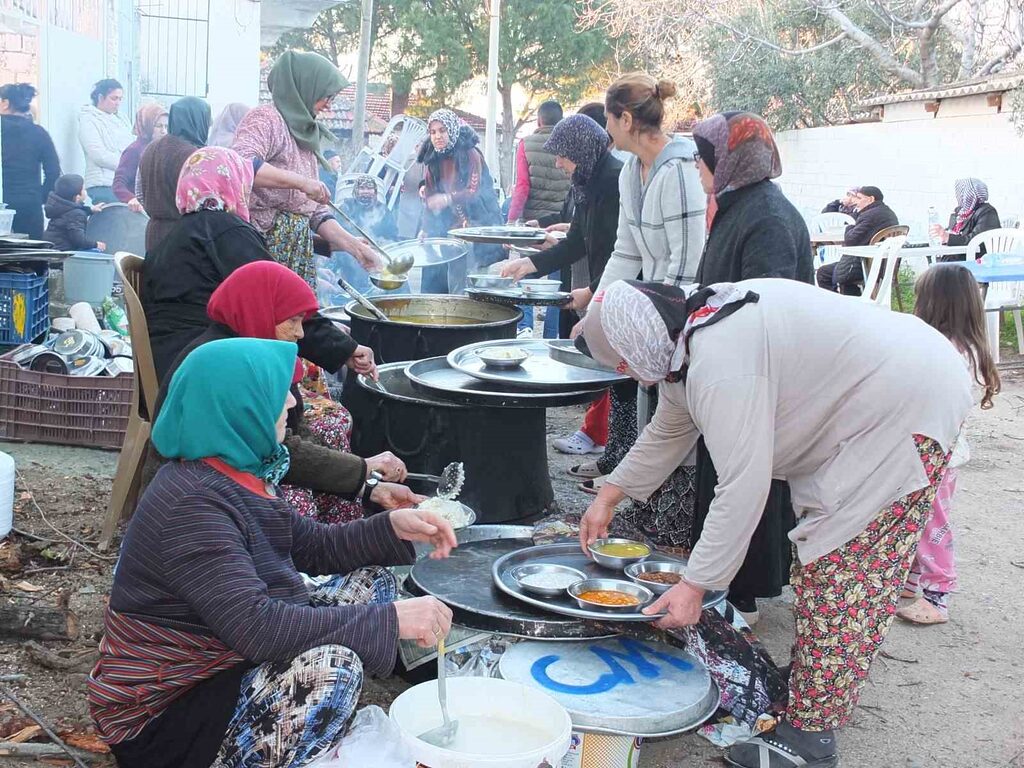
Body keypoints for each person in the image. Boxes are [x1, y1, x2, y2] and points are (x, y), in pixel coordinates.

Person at [578, 277, 972, 768]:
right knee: (827, 564)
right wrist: (610, 496)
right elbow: (669, 429)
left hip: (905, 403)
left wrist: (695, 586)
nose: (629, 374)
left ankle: (810, 736)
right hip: (897, 391)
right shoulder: (690, 336)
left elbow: (743, 485)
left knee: (842, 569)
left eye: (621, 361)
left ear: (635, 340)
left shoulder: (720, 360)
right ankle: (815, 681)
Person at [88, 337, 456, 768]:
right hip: (167, 714)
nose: (289, 402)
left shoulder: (234, 472)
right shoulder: (189, 505)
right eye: (275, 391)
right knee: (332, 669)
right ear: (237, 406)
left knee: (371, 582)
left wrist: (391, 526)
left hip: (221, 659)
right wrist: (390, 620)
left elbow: (311, 545)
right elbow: (258, 628)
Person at [157, 260, 418, 523]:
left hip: (241, 471)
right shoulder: (230, 365)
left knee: (336, 479)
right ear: (259, 311)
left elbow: (296, 429)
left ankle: (342, 550)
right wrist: (363, 469)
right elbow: (277, 450)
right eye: (293, 321)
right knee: (294, 504)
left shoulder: (260, 349)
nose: (300, 332)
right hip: (204, 498)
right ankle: (306, 560)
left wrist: (367, 485)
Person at [690, 110, 812, 622]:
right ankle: (720, 582)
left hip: (757, 372)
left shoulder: (769, 218)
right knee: (723, 472)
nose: (698, 167)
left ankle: (741, 592)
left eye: (704, 157)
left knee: (744, 474)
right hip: (730, 367)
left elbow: (767, 305)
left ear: (729, 160)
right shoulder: (737, 205)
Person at [142, 145, 374, 386]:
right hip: (205, 369)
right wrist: (346, 348)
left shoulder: (173, 237)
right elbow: (280, 302)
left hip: (169, 360)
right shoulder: (226, 230)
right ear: (233, 183)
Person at [898, 264, 1000, 626]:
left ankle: (938, 594)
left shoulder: (943, 351)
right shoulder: (972, 348)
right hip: (943, 451)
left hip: (934, 452)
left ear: (932, 304)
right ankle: (911, 583)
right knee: (916, 518)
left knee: (931, 524)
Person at [232, 51, 379, 287]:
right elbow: (241, 164)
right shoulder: (265, 119)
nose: (329, 105)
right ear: (306, 86)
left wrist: (355, 248)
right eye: (326, 96)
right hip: (262, 250)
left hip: (294, 254)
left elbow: (317, 212)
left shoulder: (304, 133)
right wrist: (301, 182)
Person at [416, 108, 503, 293]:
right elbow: (430, 198)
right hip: (452, 227)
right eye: (433, 132)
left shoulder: (470, 153)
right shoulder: (432, 158)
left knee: (477, 281)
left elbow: (474, 191)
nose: (437, 136)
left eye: (442, 130)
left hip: (479, 223)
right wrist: (425, 227)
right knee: (452, 280)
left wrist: (448, 198)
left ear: (452, 130)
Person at [138, 96, 212, 252]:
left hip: (153, 233)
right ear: (198, 121)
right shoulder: (195, 156)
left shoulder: (150, 149)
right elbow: (202, 203)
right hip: (184, 237)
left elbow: (139, 193)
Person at [0, 83, 60, 239]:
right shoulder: (39, 133)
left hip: (2, 199)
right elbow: (53, 171)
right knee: (32, 255)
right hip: (29, 202)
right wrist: (40, 196)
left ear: (5, 103)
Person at [816, 185, 898, 296]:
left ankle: (838, 307)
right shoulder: (888, 213)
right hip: (885, 265)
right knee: (830, 271)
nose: (856, 202)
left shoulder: (870, 216)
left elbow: (851, 240)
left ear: (870, 199)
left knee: (824, 273)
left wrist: (849, 227)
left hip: (867, 265)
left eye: (859, 198)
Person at [506, 100, 570, 224]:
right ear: (562, 120)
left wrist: (511, 219)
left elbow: (522, 186)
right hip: (562, 221)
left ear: (539, 121)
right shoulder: (570, 144)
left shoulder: (525, 144)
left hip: (533, 222)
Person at [78, 79, 133, 204]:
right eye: (114, 98)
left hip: (124, 182)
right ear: (100, 97)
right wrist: (127, 165)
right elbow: (98, 155)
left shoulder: (122, 119)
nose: (118, 103)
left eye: (120, 99)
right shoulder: (89, 120)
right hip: (103, 184)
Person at [113, 103, 168, 212]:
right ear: (147, 125)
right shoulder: (135, 150)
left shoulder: (162, 149)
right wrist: (131, 198)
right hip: (138, 214)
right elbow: (118, 184)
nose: (163, 131)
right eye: (158, 126)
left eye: (166, 126)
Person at [931, 177, 1002, 258]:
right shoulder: (960, 212)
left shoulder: (987, 212)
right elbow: (953, 233)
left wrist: (948, 237)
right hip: (954, 259)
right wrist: (942, 235)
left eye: (962, 192)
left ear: (970, 194)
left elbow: (975, 241)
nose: (959, 195)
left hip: (974, 262)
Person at [42, 174, 107, 252]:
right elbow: (78, 240)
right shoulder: (76, 214)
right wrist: (96, 244)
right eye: (83, 189)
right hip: (63, 253)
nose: (85, 191)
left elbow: (70, 214)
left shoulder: (60, 206)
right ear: (77, 197)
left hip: (51, 248)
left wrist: (90, 210)